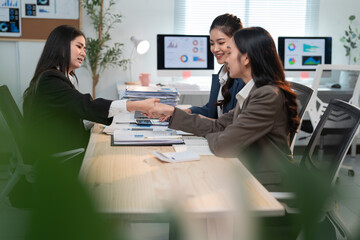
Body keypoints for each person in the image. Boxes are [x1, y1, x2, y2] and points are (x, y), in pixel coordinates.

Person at [149, 27, 300, 191]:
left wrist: (218, 136)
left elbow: (224, 146)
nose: (225, 59)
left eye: (230, 52)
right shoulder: (254, 91)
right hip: (246, 172)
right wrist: (172, 113)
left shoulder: (266, 96)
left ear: (246, 58)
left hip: (267, 184)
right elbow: (218, 126)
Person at [22, 25, 157, 172]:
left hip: (60, 144)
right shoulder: (51, 80)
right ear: (61, 48)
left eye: (85, 49)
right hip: (56, 155)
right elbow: (86, 105)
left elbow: (72, 112)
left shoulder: (56, 76)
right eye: (79, 46)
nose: (83, 53)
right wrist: (136, 105)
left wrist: (95, 120)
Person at [184, 13, 245, 119]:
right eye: (212, 43)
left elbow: (231, 123)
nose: (215, 49)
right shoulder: (223, 71)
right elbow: (212, 110)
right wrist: (187, 111)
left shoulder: (244, 78)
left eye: (221, 43)